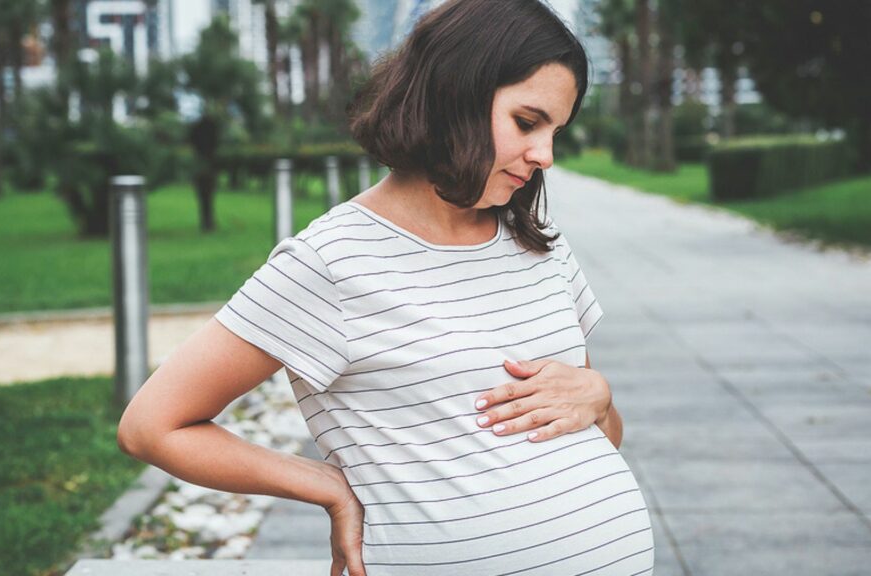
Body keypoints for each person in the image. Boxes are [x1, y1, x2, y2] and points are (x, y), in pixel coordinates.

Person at [117, 0, 654, 574]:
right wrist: (328, 486)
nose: (543, 155)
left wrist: (597, 396)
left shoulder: (537, 243)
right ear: (455, 93)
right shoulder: (331, 261)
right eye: (527, 122)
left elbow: (602, 432)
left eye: (555, 132)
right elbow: (153, 426)